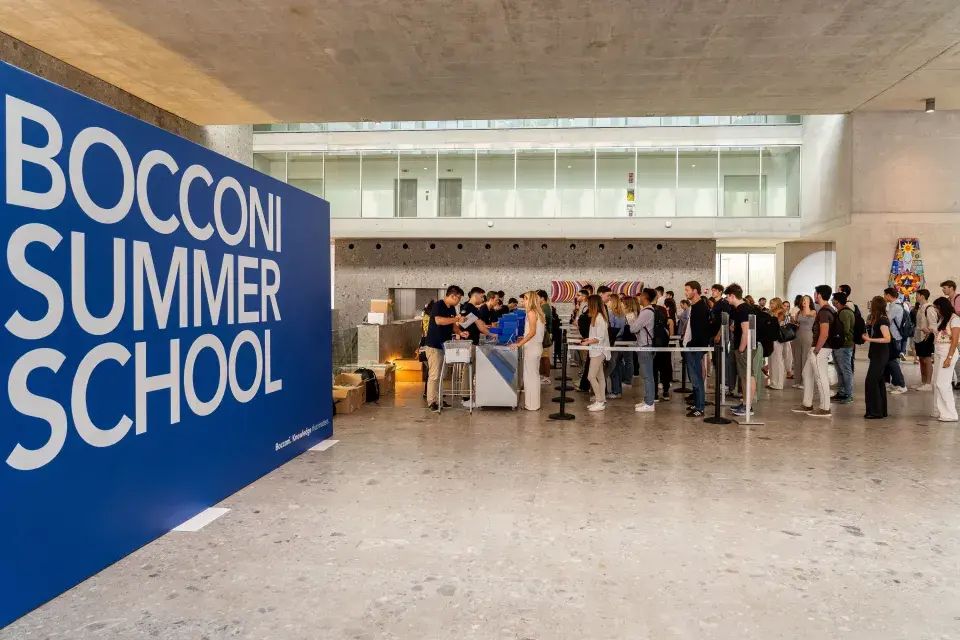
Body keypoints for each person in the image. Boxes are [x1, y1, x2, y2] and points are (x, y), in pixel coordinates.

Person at [794, 285, 836, 417]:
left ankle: (825, 408)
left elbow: (824, 333)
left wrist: (816, 350)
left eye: (815, 293)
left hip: (820, 348)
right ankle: (807, 404)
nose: (814, 295)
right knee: (806, 373)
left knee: (820, 377)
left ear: (819, 295)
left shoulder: (824, 311)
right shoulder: (827, 310)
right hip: (818, 347)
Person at [424, 286, 467, 412]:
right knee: (434, 375)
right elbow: (439, 321)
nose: (459, 301)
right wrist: (457, 319)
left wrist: (460, 332)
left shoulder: (452, 308)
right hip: (434, 346)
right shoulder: (438, 305)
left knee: (442, 375)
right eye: (458, 298)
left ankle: (439, 399)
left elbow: (452, 325)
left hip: (445, 346)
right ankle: (432, 402)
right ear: (452, 295)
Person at [724, 284, 761, 417]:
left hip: (746, 348)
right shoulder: (741, 309)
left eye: (727, 296)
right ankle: (745, 403)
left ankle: (748, 406)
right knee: (744, 376)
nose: (726, 299)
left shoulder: (744, 309)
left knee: (748, 376)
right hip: (745, 347)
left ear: (732, 296)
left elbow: (746, 332)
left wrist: (740, 349)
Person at [510, 292, 546, 411]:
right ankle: (533, 404)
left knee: (530, 376)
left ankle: (531, 405)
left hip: (532, 347)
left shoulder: (531, 312)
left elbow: (532, 332)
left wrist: (519, 343)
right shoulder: (538, 313)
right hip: (536, 346)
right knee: (533, 376)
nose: (522, 301)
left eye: (524, 299)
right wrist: (523, 338)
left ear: (530, 300)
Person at [862, 296, 893, 419]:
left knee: (871, 381)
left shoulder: (882, 321)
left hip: (880, 354)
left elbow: (887, 338)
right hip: (878, 354)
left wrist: (869, 339)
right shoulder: (879, 319)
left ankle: (875, 411)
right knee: (878, 381)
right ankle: (880, 410)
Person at [580, 294, 611, 412]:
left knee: (591, 376)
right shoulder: (596, 317)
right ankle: (602, 400)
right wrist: (588, 340)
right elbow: (596, 335)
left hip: (599, 351)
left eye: (589, 304)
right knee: (600, 377)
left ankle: (600, 400)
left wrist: (587, 342)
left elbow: (599, 338)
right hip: (596, 350)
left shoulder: (599, 318)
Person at [683, 281, 710, 418]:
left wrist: (692, 344)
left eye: (687, 290)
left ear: (695, 291)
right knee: (694, 377)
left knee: (697, 377)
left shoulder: (700, 307)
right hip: (693, 346)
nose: (685, 293)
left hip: (695, 347)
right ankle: (698, 403)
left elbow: (701, 331)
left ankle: (700, 407)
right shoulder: (695, 306)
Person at [931, 296, 960, 422]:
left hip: (948, 353)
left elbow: (955, 340)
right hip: (939, 352)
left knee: (942, 384)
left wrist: (949, 357)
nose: (936, 311)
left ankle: (951, 413)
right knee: (937, 383)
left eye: (937, 308)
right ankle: (941, 411)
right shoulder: (943, 318)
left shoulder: (955, 319)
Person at [629, 289, 658, 412]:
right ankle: (647, 399)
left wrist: (632, 321)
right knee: (646, 375)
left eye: (640, 295)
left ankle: (650, 403)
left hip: (645, 346)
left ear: (645, 297)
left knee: (647, 376)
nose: (639, 298)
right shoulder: (648, 311)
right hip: (645, 345)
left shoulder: (646, 312)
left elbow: (633, 328)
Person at [710, 284, 737, 396]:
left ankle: (725, 384)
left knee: (723, 359)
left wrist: (719, 334)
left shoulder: (724, 303)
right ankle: (720, 382)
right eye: (712, 290)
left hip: (721, 335)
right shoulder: (716, 304)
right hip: (713, 334)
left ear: (720, 292)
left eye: (715, 290)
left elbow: (725, 320)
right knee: (716, 360)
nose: (713, 292)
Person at [831, 291, 856, 404]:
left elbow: (844, 330)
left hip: (844, 346)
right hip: (840, 345)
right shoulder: (841, 311)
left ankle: (848, 394)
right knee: (840, 370)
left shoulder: (844, 313)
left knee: (845, 370)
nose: (832, 301)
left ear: (837, 301)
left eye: (833, 299)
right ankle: (841, 392)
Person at [883, 288, 908, 395]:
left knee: (893, 362)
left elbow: (886, 321)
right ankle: (894, 383)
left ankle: (901, 385)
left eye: (885, 294)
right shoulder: (895, 305)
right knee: (890, 361)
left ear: (889, 295)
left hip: (894, 338)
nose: (884, 296)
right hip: (893, 337)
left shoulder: (895, 307)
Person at [913, 289, 937, 392]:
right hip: (919, 336)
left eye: (917, 295)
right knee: (921, 359)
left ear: (922, 296)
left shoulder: (929, 308)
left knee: (927, 359)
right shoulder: (920, 308)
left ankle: (928, 383)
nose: (916, 297)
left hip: (926, 337)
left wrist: (929, 330)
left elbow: (933, 324)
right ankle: (923, 381)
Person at [604, 294, 627, 399]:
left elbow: (611, 328)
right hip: (621, 340)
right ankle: (618, 390)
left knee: (612, 366)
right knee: (617, 366)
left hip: (614, 341)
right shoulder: (622, 314)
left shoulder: (611, 312)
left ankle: (616, 391)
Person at [654, 298, 677, 401]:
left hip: (655, 347)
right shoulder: (670, 321)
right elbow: (671, 335)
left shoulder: (654, 322)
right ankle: (666, 391)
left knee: (654, 370)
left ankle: (654, 393)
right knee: (666, 369)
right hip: (665, 347)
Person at [792, 295, 816, 389]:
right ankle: (797, 381)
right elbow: (796, 322)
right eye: (803, 300)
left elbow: (808, 315)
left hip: (808, 335)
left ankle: (805, 381)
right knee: (797, 358)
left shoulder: (813, 311)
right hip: (798, 335)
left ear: (810, 302)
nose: (804, 301)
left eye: (807, 300)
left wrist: (806, 306)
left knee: (805, 358)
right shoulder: (798, 311)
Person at [941, 280, 960, 388]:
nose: (943, 290)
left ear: (951, 288)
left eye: (945, 288)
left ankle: (959, 380)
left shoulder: (958, 298)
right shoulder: (947, 300)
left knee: (957, 356)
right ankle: (951, 379)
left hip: (957, 329)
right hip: (949, 331)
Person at [767, 298, 787, 391]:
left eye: (772, 303)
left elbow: (775, 323)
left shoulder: (781, 312)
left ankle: (779, 383)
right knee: (771, 361)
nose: (771, 305)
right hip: (771, 338)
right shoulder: (771, 312)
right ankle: (773, 382)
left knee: (778, 360)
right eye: (770, 303)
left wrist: (774, 314)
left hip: (777, 339)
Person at [621, 295, 640, 388]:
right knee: (628, 359)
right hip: (630, 339)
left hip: (628, 339)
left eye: (623, 303)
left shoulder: (630, 316)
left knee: (628, 359)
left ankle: (628, 381)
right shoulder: (632, 314)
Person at [536, 290, 554, 385]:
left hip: (545, 334)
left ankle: (547, 377)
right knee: (543, 356)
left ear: (542, 298)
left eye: (537, 297)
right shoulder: (544, 306)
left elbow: (544, 322)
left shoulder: (544, 307)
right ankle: (544, 375)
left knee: (545, 356)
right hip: (545, 333)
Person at [419, 300, 434, 398]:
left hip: (424, 344)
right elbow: (428, 332)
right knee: (431, 370)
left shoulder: (426, 317)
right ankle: (428, 392)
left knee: (430, 370)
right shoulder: (428, 318)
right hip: (427, 345)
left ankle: (429, 391)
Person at [781, 299, 794, 378]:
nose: (786, 307)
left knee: (787, 355)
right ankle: (788, 372)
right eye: (784, 306)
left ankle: (789, 372)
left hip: (787, 337)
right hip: (781, 337)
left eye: (788, 306)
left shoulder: (788, 316)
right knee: (785, 354)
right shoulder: (781, 315)